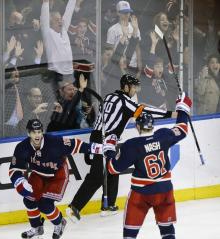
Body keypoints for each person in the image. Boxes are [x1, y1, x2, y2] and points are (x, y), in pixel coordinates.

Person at [66, 74, 177, 222]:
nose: (135, 91)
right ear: (125, 87)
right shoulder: (125, 102)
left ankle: (109, 205)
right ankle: (74, 207)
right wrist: (171, 113)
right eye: (133, 87)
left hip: (104, 137)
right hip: (103, 139)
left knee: (113, 168)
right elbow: (142, 111)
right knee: (97, 175)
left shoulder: (109, 97)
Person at [108, 92, 192, 239]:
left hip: (141, 194)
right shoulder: (164, 135)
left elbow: (113, 168)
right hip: (164, 192)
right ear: (152, 125)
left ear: (138, 126)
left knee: (130, 230)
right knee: (167, 227)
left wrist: (110, 150)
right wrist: (182, 107)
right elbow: (183, 129)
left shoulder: (131, 145)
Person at [9, 119, 103, 239]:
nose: (37, 135)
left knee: (45, 204)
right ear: (28, 133)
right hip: (38, 174)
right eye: (33, 132)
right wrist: (19, 182)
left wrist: (100, 149)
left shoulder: (54, 142)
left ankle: (60, 222)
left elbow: (77, 145)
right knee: (28, 200)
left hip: (58, 176)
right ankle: (37, 228)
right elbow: (14, 169)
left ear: (42, 132)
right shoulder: (22, 147)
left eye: (39, 132)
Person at [40, 0, 76, 83]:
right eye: (57, 20)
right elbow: (44, 19)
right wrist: (46, 3)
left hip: (69, 74)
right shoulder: (48, 34)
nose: (60, 21)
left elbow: (69, 11)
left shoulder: (64, 30)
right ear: (50, 23)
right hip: (55, 74)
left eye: (60, 19)